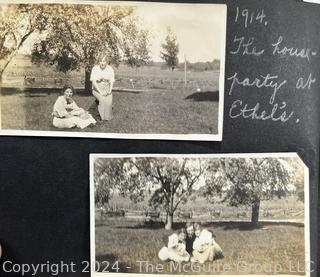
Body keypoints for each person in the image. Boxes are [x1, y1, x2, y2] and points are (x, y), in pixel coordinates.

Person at [90, 55, 115, 120]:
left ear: (106, 62)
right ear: (98, 62)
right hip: (97, 88)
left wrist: (110, 91)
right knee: (102, 98)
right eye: (100, 61)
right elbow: (94, 82)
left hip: (107, 88)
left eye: (104, 61)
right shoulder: (95, 68)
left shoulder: (110, 69)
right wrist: (100, 92)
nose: (102, 63)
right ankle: (101, 117)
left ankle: (107, 117)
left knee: (109, 100)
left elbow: (111, 81)